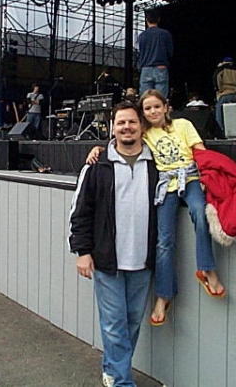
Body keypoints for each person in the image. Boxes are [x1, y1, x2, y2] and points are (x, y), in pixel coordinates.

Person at [87, 90, 225, 327]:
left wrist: (208, 175)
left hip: (190, 179)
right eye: (147, 109)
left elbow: (200, 151)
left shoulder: (183, 125)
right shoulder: (146, 133)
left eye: (156, 107)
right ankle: (164, 295)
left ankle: (206, 269)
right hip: (166, 185)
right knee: (164, 241)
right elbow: (121, 142)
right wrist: (98, 149)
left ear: (166, 107)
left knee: (200, 214)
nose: (152, 112)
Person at [68, 102, 158, 387]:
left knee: (131, 322)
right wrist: (82, 252)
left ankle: (111, 368)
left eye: (132, 122)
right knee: (114, 325)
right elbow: (80, 211)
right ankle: (121, 381)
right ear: (112, 128)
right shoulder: (97, 166)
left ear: (141, 126)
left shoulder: (157, 164)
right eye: (121, 123)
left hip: (143, 261)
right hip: (107, 260)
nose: (127, 127)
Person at [137, 9, 173, 98]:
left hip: (146, 68)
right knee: (161, 98)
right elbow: (170, 52)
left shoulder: (141, 36)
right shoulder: (165, 34)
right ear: (159, 19)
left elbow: (139, 54)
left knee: (146, 99)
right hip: (161, 67)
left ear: (146, 20)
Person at [213, 57, 236, 135]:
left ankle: (221, 132)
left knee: (219, 112)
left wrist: (220, 89)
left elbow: (217, 78)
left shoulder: (221, 69)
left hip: (225, 94)